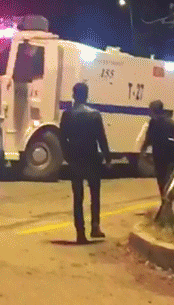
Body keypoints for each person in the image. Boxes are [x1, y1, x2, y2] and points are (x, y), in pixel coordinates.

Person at [59, 82, 110, 244]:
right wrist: (108, 157)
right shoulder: (94, 115)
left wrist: (67, 155)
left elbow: (62, 138)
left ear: (74, 95)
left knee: (78, 197)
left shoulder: (68, 115)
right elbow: (101, 138)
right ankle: (95, 226)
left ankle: (80, 232)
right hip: (92, 158)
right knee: (95, 194)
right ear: (86, 95)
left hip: (75, 159)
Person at [139, 100, 174, 197]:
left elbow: (148, 139)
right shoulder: (170, 122)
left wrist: (142, 151)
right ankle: (168, 199)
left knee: (161, 180)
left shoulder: (153, 123)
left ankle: (165, 199)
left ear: (154, 111)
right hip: (172, 155)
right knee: (170, 179)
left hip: (160, 156)